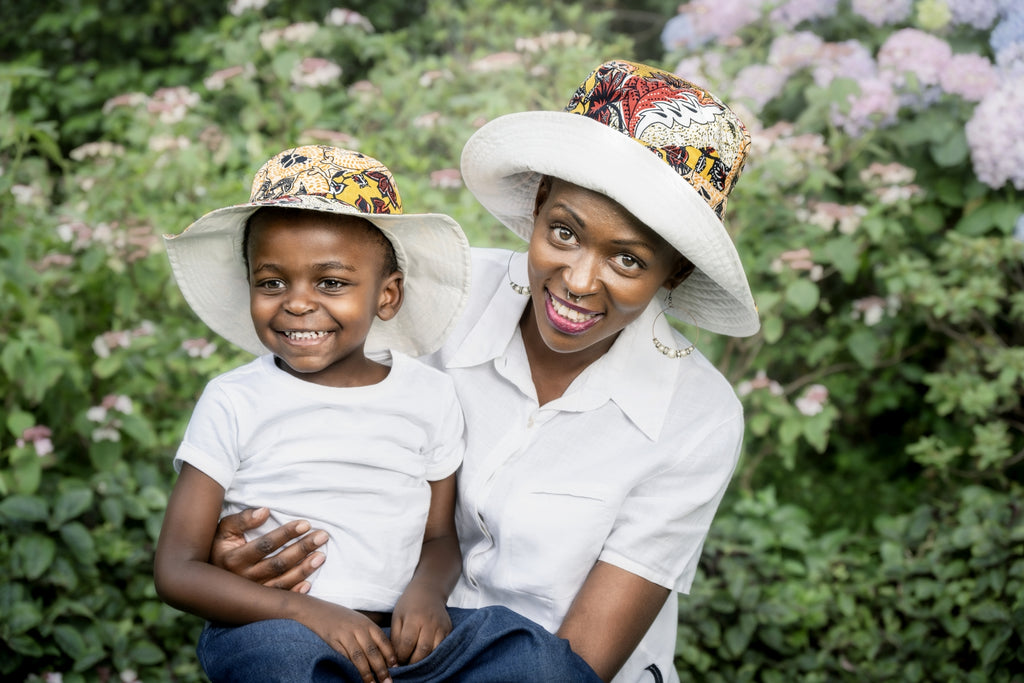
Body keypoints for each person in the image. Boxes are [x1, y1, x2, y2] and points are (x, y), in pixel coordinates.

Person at [208, 59, 761, 683]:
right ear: (539, 202)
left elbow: (579, 662)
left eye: (628, 260)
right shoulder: (441, 300)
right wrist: (246, 544)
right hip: (377, 637)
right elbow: (303, 427)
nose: (578, 281)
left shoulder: (695, 417)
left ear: (675, 272)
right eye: (563, 232)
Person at [155, 146, 602, 683]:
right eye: (272, 282)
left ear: (387, 296)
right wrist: (301, 610)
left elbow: (440, 538)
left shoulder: (428, 396)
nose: (297, 302)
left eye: (331, 283)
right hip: (275, 626)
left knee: (529, 654)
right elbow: (176, 570)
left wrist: (427, 593)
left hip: (398, 635)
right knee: (286, 666)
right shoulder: (234, 399)